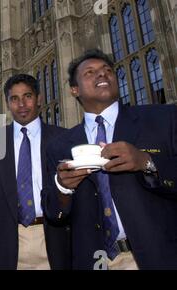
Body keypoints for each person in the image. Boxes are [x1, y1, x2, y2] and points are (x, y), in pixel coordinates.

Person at [41, 49, 177, 269]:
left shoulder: (162, 119)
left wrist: (146, 162)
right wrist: (63, 188)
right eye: (90, 73)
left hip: (158, 256)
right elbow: (54, 214)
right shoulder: (59, 146)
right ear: (74, 90)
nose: (102, 74)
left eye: (107, 70)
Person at [0, 74, 71, 270]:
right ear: (7, 103)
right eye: (14, 98)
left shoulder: (63, 138)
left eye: (27, 96)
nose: (21, 104)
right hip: (7, 239)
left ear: (39, 98)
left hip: (54, 237)